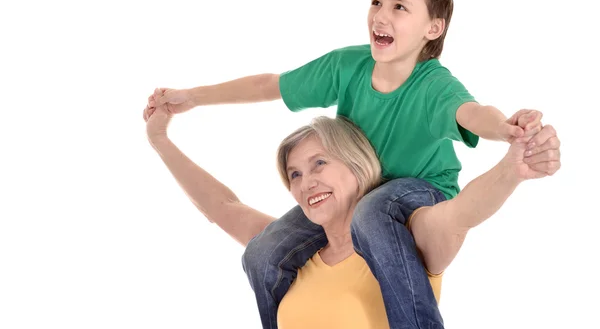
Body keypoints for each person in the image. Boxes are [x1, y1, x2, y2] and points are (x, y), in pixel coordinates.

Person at [146, 0, 547, 328]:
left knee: (373, 211)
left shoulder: (432, 86)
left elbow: (471, 113)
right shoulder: (348, 66)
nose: (380, 14)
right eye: (376, 1)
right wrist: (193, 97)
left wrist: (506, 129)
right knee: (261, 253)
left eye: (399, 7)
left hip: (418, 190)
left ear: (433, 29)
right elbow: (272, 85)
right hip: (365, 197)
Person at [142, 97, 561, 329]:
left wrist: (512, 169)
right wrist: (159, 139)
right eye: (295, 173)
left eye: (320, 163)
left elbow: (460, 214)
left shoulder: (401, 243)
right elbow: (222, 207)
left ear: (356, 161)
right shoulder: (293, 259)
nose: (306, 182)